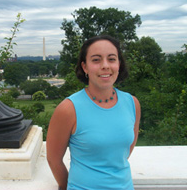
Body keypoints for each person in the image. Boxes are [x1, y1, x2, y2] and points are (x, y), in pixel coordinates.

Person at [46, 35, 141, 190]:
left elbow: (124, 153)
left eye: (111, 59)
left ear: (119, 64)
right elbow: (53, 160)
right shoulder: (69, 109)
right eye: (96, 60)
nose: (105, 66)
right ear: (85, 67)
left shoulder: (132, 104)